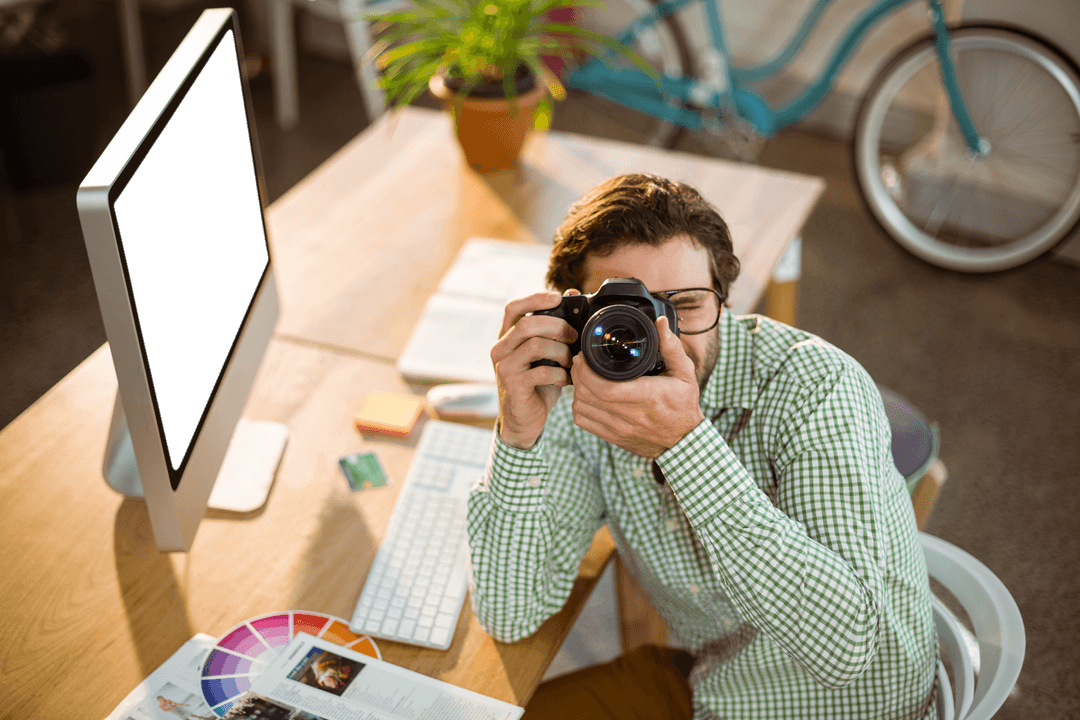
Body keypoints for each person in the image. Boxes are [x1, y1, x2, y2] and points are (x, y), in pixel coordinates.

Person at [466, 174, 938, 719]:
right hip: (715, 686)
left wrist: (685, 447)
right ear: (573, 314)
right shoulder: (582, 397)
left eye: (684, 306)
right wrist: (518, 438)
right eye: (631, 314)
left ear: (723, 297)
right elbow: (510, 612)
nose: (661, 337)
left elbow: (847, 649)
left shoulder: (813, 386)